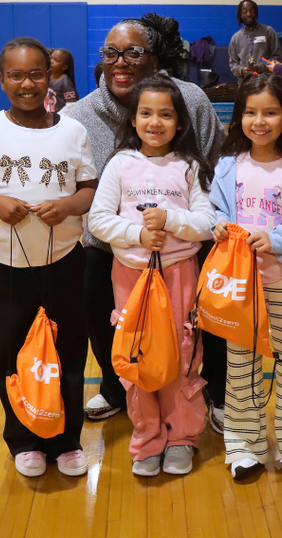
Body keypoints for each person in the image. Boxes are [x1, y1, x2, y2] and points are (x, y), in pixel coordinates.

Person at [63, 14, 226, 428]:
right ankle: (117, 386)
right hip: (114, 246)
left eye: (133, 52)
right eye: (111, 53)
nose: (121, 62)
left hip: (185, 240)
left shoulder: (191, 100)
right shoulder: (81, 116)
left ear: (155, 61)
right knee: (94, 297)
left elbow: (213, 167)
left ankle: (213, 388)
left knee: (203, 309)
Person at [0, 38, 98, 479]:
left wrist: (70, 206)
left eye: (36, 74)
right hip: (4, 266)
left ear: (51, 78)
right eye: (16, 75)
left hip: (64, 261)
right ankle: (24, 439)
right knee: (12, 354)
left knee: (67, 352)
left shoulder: (73, 131)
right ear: (2, 80)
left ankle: (66, 438)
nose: (27, 83)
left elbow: (88, 189)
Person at [88, 75, 215, 476]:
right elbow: (98, 221)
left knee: (181, 355)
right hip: (130, 276)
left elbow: (207, 223)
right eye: (146, 113)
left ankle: (182, 437)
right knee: (139, 357)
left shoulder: (189, 166)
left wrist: (172, 221)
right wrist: (139, 234)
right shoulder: (120, 164)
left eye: (165, 114)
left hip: (180, 274)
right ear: (133, 119)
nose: (155, 122)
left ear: (179, 122)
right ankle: (147, 438)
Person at [210, 73, 282, 481]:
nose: (260, 121)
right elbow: (215, 212)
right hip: (240, 289)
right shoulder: (227, 167)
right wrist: (219, 225)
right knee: (240, 367)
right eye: (251, 112)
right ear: (239, 117)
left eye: (270, 112)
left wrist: (276, 239)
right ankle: (243, 445)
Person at [229, 0, 282, 79]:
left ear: (256, 12)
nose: (248, 14)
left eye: (251, 11)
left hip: (266, 81)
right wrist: (242, 70)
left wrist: (260, 67)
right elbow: (233, 64)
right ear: (240, 14)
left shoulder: (268, 31)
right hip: (245, 82)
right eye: (244, 11)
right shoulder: (235, 38)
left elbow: (277, 57)